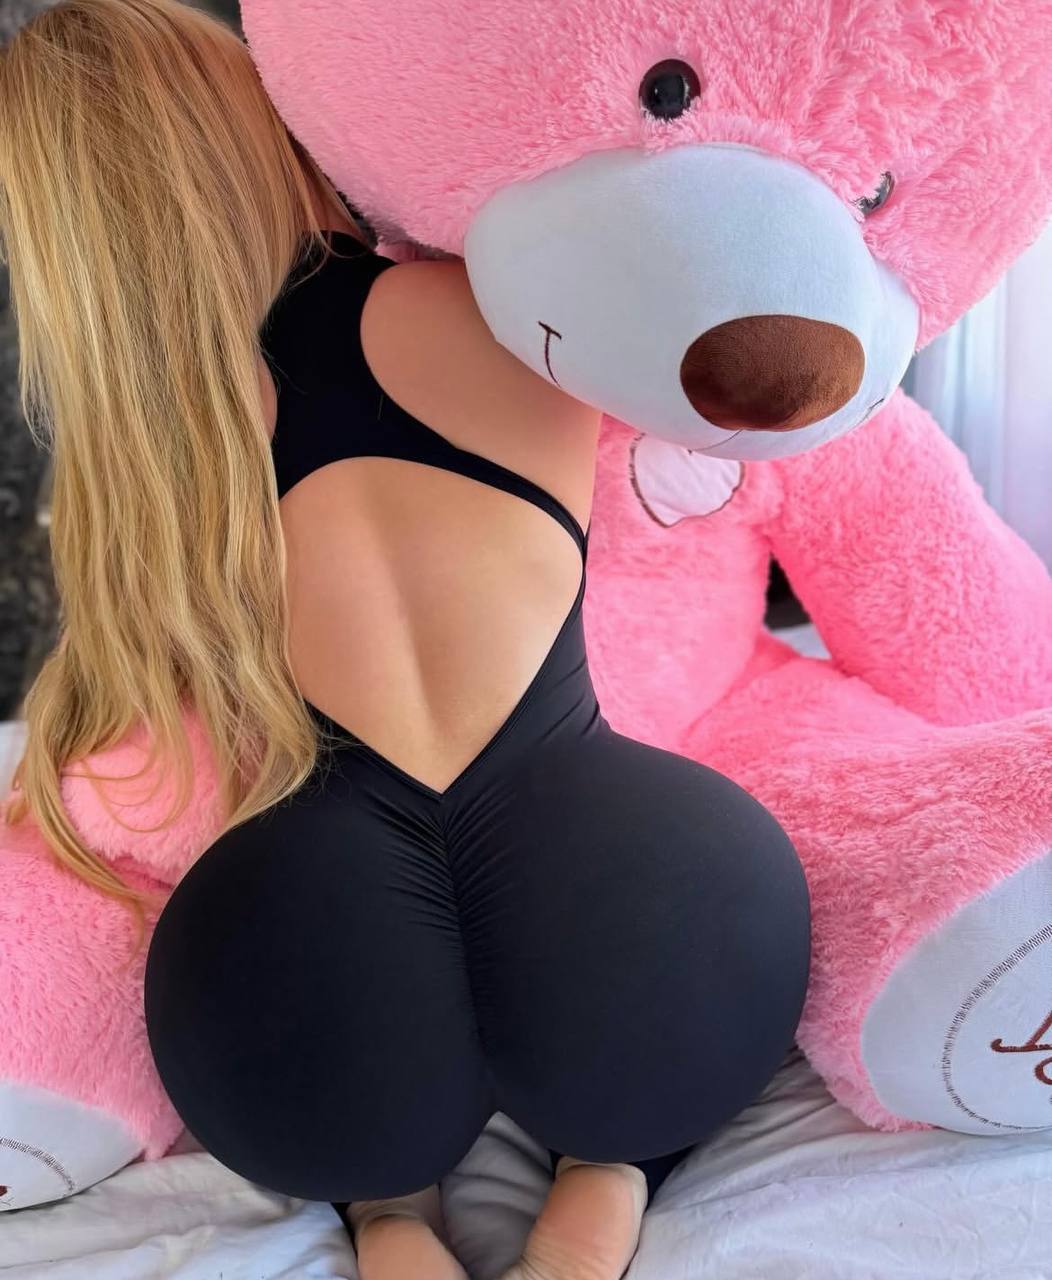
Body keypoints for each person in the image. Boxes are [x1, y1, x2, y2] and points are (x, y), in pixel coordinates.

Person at [0, 2, 810, 1277]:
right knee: (634, 1050)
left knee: (357, 1126)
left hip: (317, 985)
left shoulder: (148, 460)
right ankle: (602, 1182)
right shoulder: (488, 306)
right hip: (642, 902)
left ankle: (389, 1220)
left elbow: (137, 740)